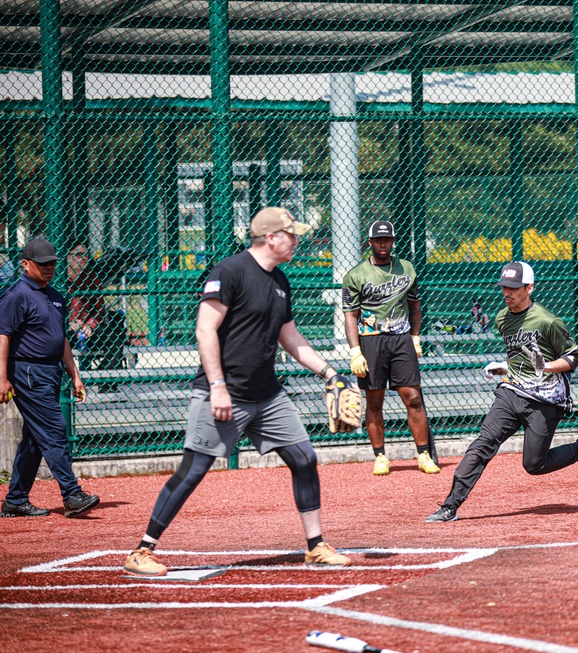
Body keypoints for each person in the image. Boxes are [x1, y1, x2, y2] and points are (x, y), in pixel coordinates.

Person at [122, 207, 351, 576]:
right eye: (292, 235)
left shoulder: (280, 281)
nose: (297, 241)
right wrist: (217, 386)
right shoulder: (230, 271)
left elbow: (289, 337)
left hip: (267, 393)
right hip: (225, 391)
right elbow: (205, 329)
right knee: (194, 469)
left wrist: (329, 372)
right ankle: (142, 550)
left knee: (304, 458)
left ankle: (315, 546)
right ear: (271, 237)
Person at [426, 261, 578, 523]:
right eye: (504, 287)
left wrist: (548, 367)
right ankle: (450, 506)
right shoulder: (502, 318)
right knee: (483, 443)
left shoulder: (547, 320)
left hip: (545, 399)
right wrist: (504, 367)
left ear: (529, 287)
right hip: (512, 392)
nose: (507, 292)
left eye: (514, 287)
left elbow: (573, 358)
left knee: (534, 465)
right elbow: (519, 356)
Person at [0, 236, 99, 518]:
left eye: (52, 263)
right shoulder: (16, 295)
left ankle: (16, 499)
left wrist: (75, 374)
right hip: (28, 372)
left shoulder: (56, 296)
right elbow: (2, 336)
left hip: (51, 371)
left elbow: (61, 338)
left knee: (35, 439)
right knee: (55, 430)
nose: (48, 268)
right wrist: (2, 377)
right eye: (42, 264)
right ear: (25, 264)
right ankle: (72, 493)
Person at [341, 220, 438, 476]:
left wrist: (415, 336)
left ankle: (423, 454)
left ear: (393, 241)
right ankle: (380, 456)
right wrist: (355, 350)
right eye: (378, 240)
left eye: (388, 239)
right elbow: (350, 315)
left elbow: (415, 305)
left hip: (400, 338)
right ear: (370, 243)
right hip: (371, 340)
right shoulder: (356, 274)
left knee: (413, 397)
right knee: (374, 401)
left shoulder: (406, 268)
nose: (383, 244)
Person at [66, 241, 127, 381]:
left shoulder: (91, 278)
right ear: (68, 257)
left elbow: (99, 309)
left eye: (86, 255)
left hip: (87, 330)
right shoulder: (58, 279)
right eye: (79, 255)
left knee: (115, 335)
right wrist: (67, 323)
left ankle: (106, 383)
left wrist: (90, 324)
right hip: (64, 330)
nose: (84, 259)